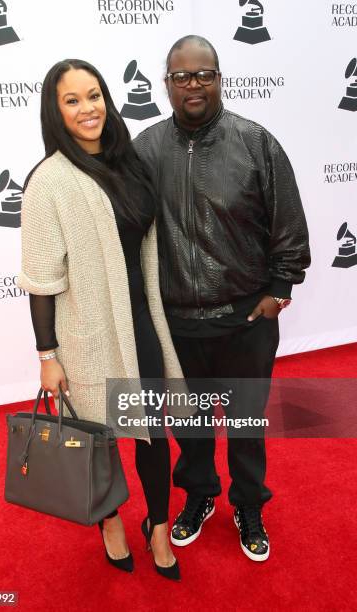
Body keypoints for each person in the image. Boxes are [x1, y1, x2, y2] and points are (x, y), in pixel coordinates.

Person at [134, 35, 311, 562]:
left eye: (204, 74)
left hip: (244, 320)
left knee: (246, 426)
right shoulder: (145, 149)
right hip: (177, 324)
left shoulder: (255, 142)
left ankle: (249, 504)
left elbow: (289, 226)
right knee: (188, 429)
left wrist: (279, 290)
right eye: (182, 75)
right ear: (166, 83)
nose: (194, 84)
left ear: (219, 78)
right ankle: (199, 497)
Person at [17, 59, 184, 580]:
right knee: (102, 442)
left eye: (94, 96)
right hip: (87, 337)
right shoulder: (47, 182)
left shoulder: (130, 163)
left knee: (152, 434)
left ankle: (157, 525)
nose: (88, 108)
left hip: (141, 327)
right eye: (72, 100)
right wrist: (48, 357)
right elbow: (41, 281)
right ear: (56, 111)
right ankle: (109, 522)